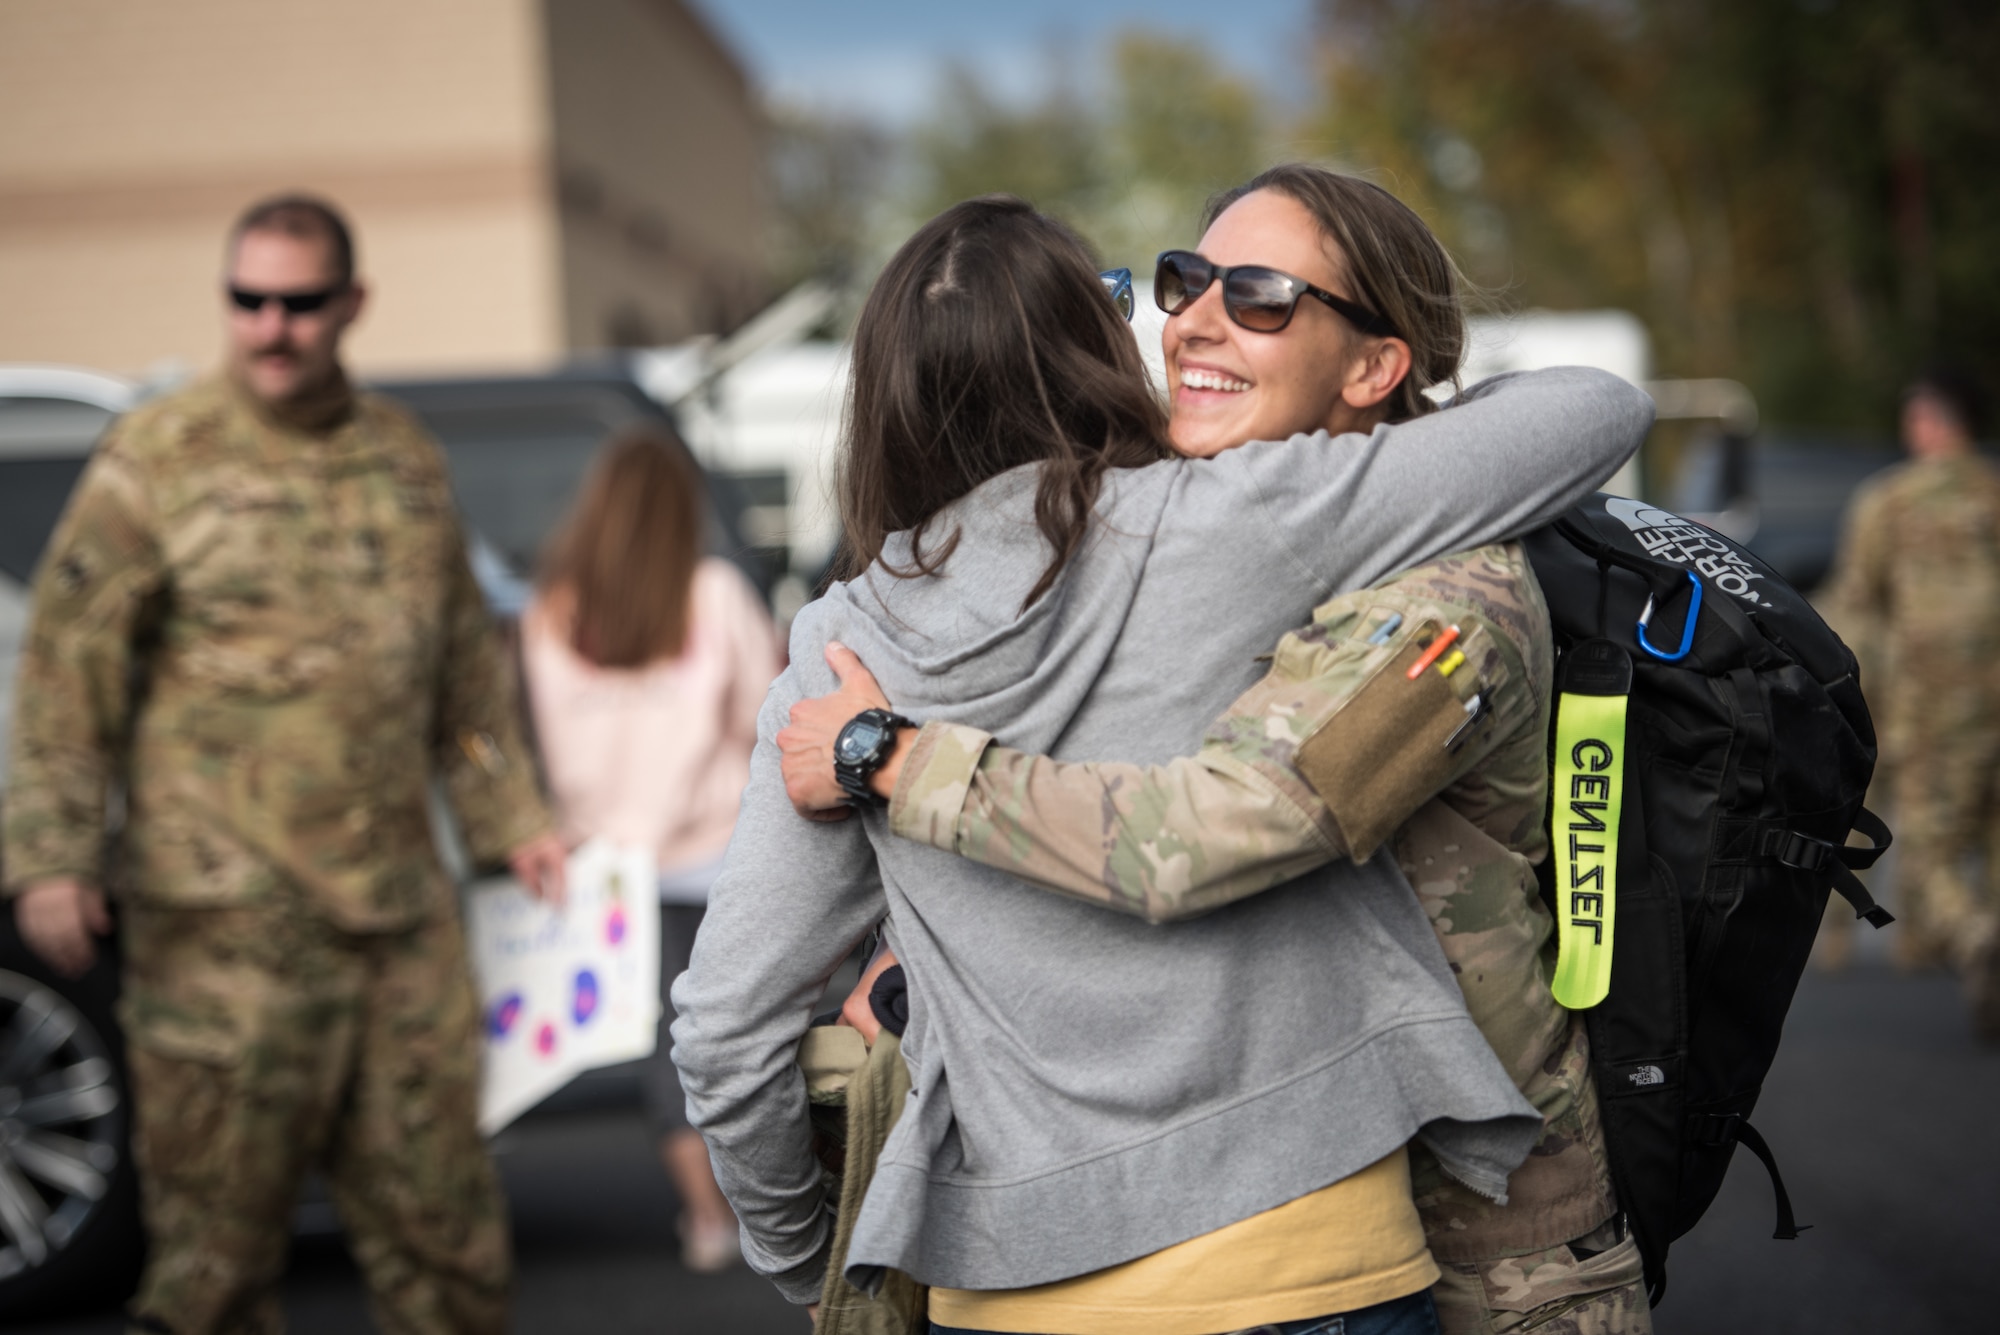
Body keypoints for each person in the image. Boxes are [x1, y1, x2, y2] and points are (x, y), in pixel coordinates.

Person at [671, 183, 1651, 1335]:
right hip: (1311, 1256)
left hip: (1010, 1289)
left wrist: (813, 1265)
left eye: (1261, 297)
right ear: (1098, 344)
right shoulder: (1237, 521)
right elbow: (1595, 408)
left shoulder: (841, 653)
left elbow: (726, 1027)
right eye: (1175, 285)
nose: (1188, 322)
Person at [3, 195, 564, 1335]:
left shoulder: (404, 464)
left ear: (350, 305)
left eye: (300, 303)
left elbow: (464, 677)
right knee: (213, 1270)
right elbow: (69, 665)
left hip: (397, 935)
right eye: (247, 300)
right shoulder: (158, 458)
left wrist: (514, 817)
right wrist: (50, 855)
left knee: (450, 1257)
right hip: (223, 941)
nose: (270, 326)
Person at [518, 426, 782, 1270]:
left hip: (615, 873)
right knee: (760, 1034)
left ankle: (707, 1219)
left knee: (669, 1045)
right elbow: (767, 718)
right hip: (725, 855)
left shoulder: (551, 609)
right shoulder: (714, 594)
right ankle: (777, 1207)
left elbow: (545, 745)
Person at [1824, 369, 2000, 1034]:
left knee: (1928, 854)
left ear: (1926, 421)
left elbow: (1854, 604)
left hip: (1936, 705)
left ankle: (1976, 935)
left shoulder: (1891, 501)